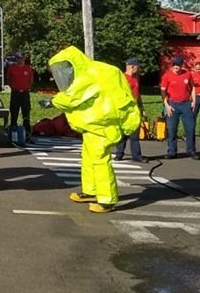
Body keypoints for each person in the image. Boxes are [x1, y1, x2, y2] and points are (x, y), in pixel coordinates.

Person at [42, 46, 140, 214]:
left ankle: (107, 199)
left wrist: (53, 101)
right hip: (94, 125)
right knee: (88, 158)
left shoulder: (90, 75)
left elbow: (73, 97)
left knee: (100, 161)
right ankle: (91, 191)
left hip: (102, 125)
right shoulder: (100, 70)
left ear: (73, 63)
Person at [160, 56, 200, 160]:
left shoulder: (187, 74)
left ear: (181, 65)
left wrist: (194, 101)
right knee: (172, 129)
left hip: (186, 104)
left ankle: (191, 151)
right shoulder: (167, 75)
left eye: (178, 65)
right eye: (174, 65)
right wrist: (166, 105)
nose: (176, 67)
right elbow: (163, 91)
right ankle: (172, 152)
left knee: (190, 128)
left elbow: (193, 87)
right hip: (172, 104)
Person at [114, 58, 148, 163]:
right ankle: (119, 153)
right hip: (125, 109)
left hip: (135, 108)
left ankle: (136, 155)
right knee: (123, 132)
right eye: (138, 66)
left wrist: (141, 107)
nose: (139, 68)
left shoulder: (136, 78)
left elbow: (138, 94)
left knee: (135, 133)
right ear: (132, 66)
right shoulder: (122, 78)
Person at [6, 52, 34, 144]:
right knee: (14, 115)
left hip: (25, 94)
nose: (20, 60)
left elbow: (31, 80)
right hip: (15, 93)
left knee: (26, 115)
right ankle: (13, 138)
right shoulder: (12, 68)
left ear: (24, 58)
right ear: (16, 59)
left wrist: (27, 88)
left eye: (22, 58)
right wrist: (14, 88)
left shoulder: (28, 69)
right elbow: (9, 79)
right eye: (18, 58)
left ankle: (28, 137)